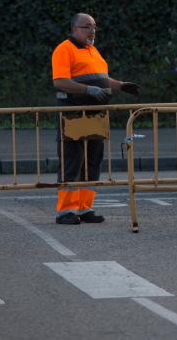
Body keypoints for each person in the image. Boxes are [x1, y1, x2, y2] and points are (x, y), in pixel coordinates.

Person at [51, 13, 139, 225]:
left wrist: (120, 85)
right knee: (72, 160)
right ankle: (65, 211)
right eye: (87, 27)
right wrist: (88, 89)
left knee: (92, 161)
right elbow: (60, 81)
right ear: (74, 29)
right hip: (73, 113)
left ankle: (84, 208)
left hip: (95, 114)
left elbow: (100, 77)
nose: (92, 31)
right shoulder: (64, 49)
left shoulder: (93, 51)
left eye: (94, 27)